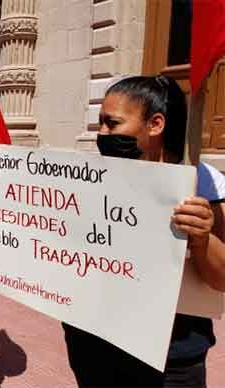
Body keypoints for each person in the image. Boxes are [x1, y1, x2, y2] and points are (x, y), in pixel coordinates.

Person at [56, 76, 225, 387]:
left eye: (113, 123)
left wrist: (202, 238)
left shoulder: (203, 186)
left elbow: (221, 279)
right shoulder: (88, 179)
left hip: (168, 357)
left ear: (155, 124)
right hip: (93, 342)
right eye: (100, 124)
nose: (103, 134)